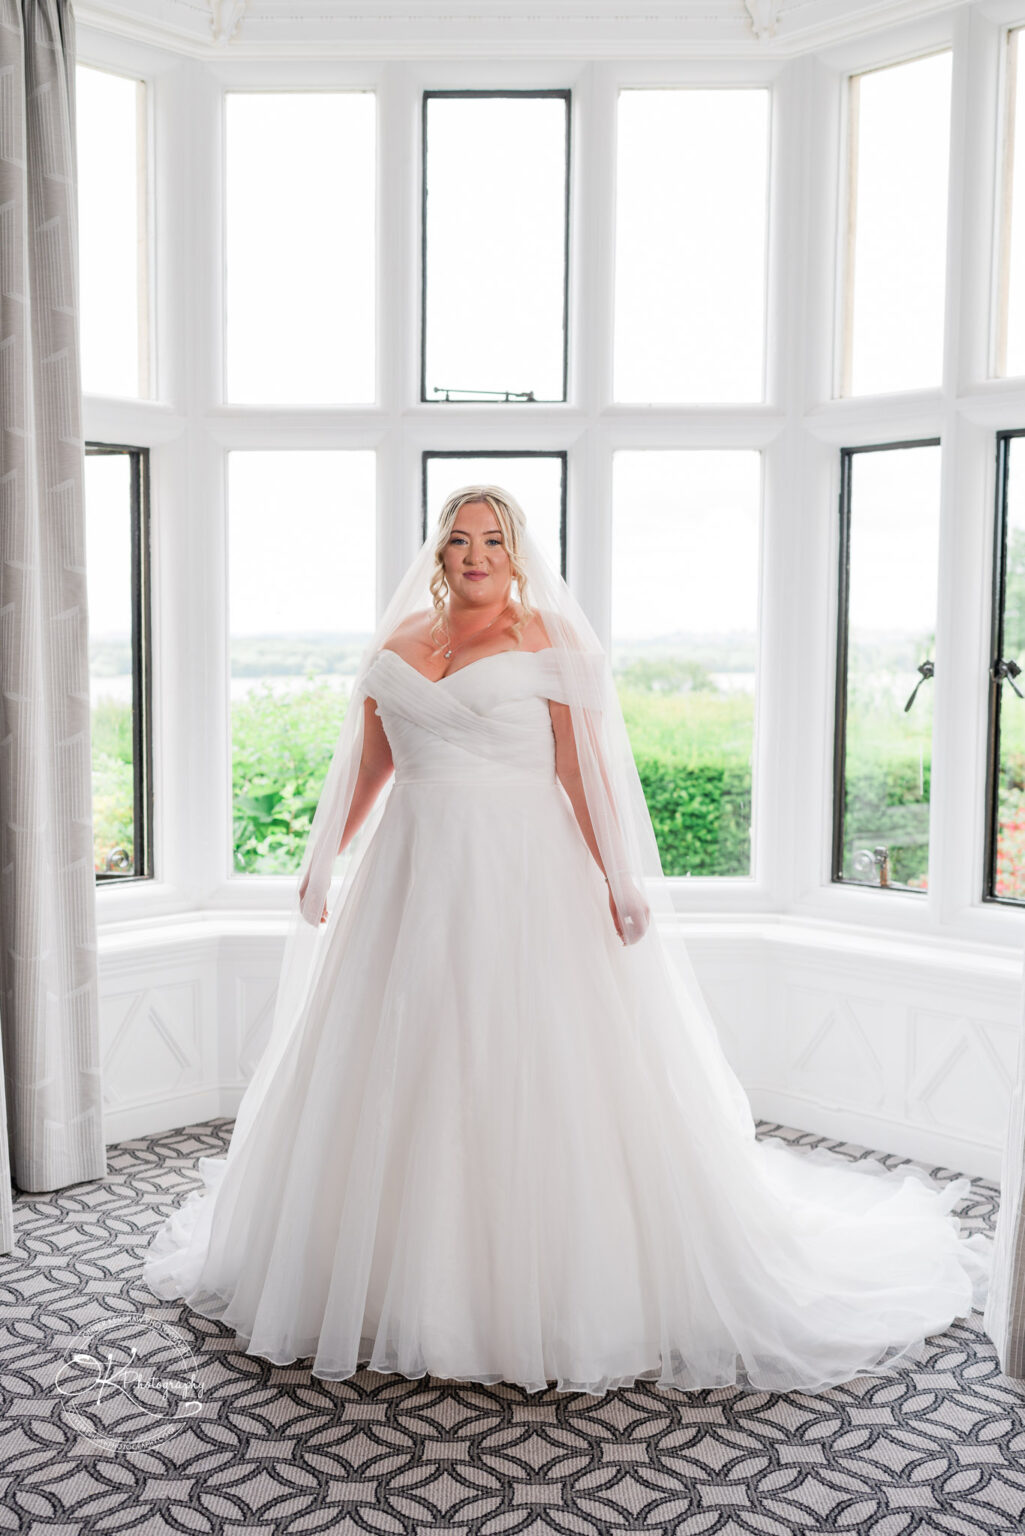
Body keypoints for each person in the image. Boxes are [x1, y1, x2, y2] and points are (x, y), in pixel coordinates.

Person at [142, 484, 992, 1397]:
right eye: (460, 540)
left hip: (524, 880)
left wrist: (619, 877)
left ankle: (541, 1294)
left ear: (515, 552)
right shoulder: (394, 649)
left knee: (539, 1067)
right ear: (437, 550)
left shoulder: (549, 638)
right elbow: (372, 769)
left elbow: (581, 773)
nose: (474, 556)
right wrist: (322, 863)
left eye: (492, 541)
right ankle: (399, 1278)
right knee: (404, 1061)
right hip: (409, 883)